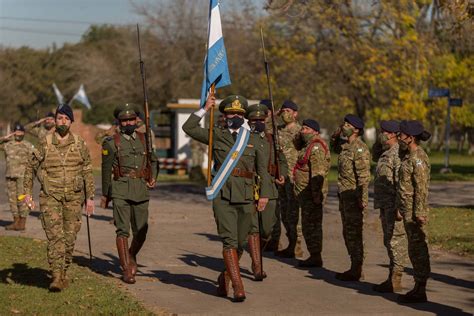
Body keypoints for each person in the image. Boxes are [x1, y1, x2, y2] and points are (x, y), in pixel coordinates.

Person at [182, 94, 271, 302]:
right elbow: (189, 128)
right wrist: (204, 109)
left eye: (239, 113)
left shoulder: (254, 139)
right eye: (231, 113)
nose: (235, 116)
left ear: (244, 116)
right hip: (222, 194)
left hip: (247, 195)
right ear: (224, 115)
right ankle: (238, 288)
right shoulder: (216, 134)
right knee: (229, 241)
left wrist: (264, 194)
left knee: (240, 242)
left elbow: (263, 171)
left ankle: (225, 276)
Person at [23, 104, 95, 292]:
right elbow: (30, 167)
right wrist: (27, 193)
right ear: (55, 120)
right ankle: (55, 276)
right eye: (59, 118)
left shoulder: (79, 143)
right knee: (55, 238)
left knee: (69, 239)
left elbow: (87, 169)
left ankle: (63, 271)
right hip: (50, 197)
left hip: (73, 198)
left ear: (71, 121)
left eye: (66, 118)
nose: (62, 121)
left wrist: (90, 198)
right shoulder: (45, 143)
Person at [101, 104, 158, 284]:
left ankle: (131, 254)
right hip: (120, 189)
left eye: (130, 119)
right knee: (122, 230)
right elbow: (105, 170)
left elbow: (153, 160)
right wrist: (106, 194)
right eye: (124, 120)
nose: (128, 123)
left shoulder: (144, 139)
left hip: (141, 189)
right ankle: (126, 269)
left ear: (136, 120)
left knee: (142, 231)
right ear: (119, 123)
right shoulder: (111, 142)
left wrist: (153, 177)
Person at [246, 102, 286, 280]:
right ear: (249, 121)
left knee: (267, 229)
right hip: (249, 187)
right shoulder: (244, 138)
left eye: (261, 119)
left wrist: (282, 173)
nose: (258, 122)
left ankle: (256, 253)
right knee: (253, 228)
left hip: (269, 187)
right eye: (254, 120)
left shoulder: (271, 138)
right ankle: (257, 265)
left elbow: (281, 159)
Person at [330, 114, 370, 281]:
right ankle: (354, 266)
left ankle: (357, 268)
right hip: (344, 196)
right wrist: (337, 132)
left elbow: (364, 177)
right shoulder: (346, 146)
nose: (344, 125)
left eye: (347, 124)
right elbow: (333, 145)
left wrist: (363, 199)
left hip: (354, 197)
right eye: (344, 123)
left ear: (356, 129)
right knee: (347, 232)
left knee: (354, 233)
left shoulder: (359, 148)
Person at [396, 120, 431, 303]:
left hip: (415, 212)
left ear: (410, 138)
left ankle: (421, 288)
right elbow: (403, 185)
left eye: (401, 135)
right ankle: (418, 286)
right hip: (407, 209)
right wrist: (400, 207)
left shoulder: (418, 158)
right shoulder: (407, 156)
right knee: (413, 249)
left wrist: (419, 213)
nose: (399, 137)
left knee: (419, 249)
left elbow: (421, 188)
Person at [372, 120, 407, 293]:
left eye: (383, 131)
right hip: (385, 205)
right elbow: (374, 153)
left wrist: (400, 206)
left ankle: (396, 279)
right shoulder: (385, 152)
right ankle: (391, 278)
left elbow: (402, 182)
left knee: (396, 242)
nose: (381, 134)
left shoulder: (397, 154)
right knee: (389, 241)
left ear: (393, 134)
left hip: (394, 206)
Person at [293, 119, 331, 267]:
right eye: (302, 128)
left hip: (312, 194)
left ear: (315, 131)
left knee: (312, 225)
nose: (303, 131)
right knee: (307, 224)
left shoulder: (316, 147)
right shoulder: (307, 145)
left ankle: (316, 256)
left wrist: (316, 195)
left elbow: (317, 173)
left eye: (307, 129)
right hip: (306, 193)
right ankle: (313, 255)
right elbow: (294, 142)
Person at [275, 100, 303, 258]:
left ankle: (297, 244)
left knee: (294, 212)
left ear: (295, 113)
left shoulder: (300, 131)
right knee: (285, 212)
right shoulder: (279, 130)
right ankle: (291, 242)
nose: (285, 113)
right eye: (283, 110)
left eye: (288, 111)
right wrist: (274, 115)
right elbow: (265, 129)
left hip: (294, 176)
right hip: (281, 176)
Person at [0, 124, 35, 231]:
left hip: (23, 177)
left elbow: (37, 157)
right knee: (12, 200)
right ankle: (16, 222)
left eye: (20, 132)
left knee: (23, 199)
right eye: (16, 131)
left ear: (24, 133)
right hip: (10, 175)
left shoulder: (28, 145)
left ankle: (22, 222)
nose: (18, 134)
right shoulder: (7, 144)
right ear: (13, 133)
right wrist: (5, 138)